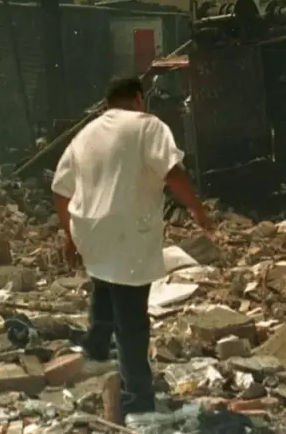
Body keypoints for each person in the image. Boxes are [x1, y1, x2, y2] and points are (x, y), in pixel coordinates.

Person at [51, 77, 214, 427]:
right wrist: (198, 210)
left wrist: (70, 236)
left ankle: (94, 350)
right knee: (132, 320)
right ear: (139, 99)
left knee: (104, 284)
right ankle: (137, 401)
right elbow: (173, 172)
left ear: (108, 102)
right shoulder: (148, 126)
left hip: (90, 229)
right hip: (127, 231)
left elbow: (60, 191)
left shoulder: (86, 134)